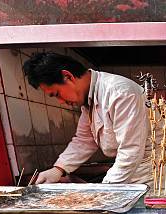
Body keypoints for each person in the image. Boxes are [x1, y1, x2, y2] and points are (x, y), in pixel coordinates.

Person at [22, 52, 153, 185]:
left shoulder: (120, 93)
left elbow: (130, 149)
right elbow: (84, 140)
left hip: (148, 178)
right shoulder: (89, 99)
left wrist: (106, 191)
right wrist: (58, 169)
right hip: (128, 176)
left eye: (57, 94)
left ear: (68, 76)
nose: (60, 101)